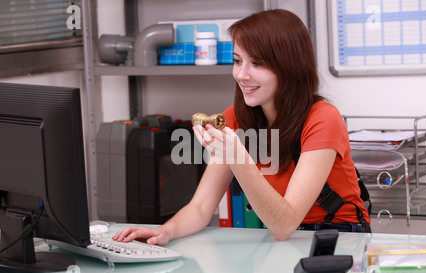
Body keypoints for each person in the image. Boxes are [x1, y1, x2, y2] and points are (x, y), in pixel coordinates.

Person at [113, 9, 371, 246]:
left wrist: (237, 156)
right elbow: (201, 208)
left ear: (289, 68)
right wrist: (166, 231)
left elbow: (284, 224)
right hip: (283, 237)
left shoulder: (323, 118)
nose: (242, 75)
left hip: (340, 234)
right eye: (238, 61)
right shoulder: (235, 118)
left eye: (257, 63)